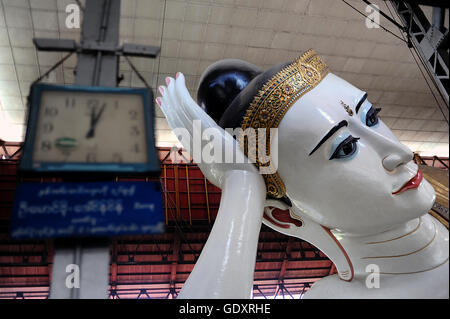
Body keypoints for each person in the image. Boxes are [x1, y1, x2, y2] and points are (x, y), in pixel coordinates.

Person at [156, 49, 449, 299]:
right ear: (285, 216)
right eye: (345, 148)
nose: (400, 154)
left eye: (371, 118)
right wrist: (241, 181)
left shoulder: (439, 185)